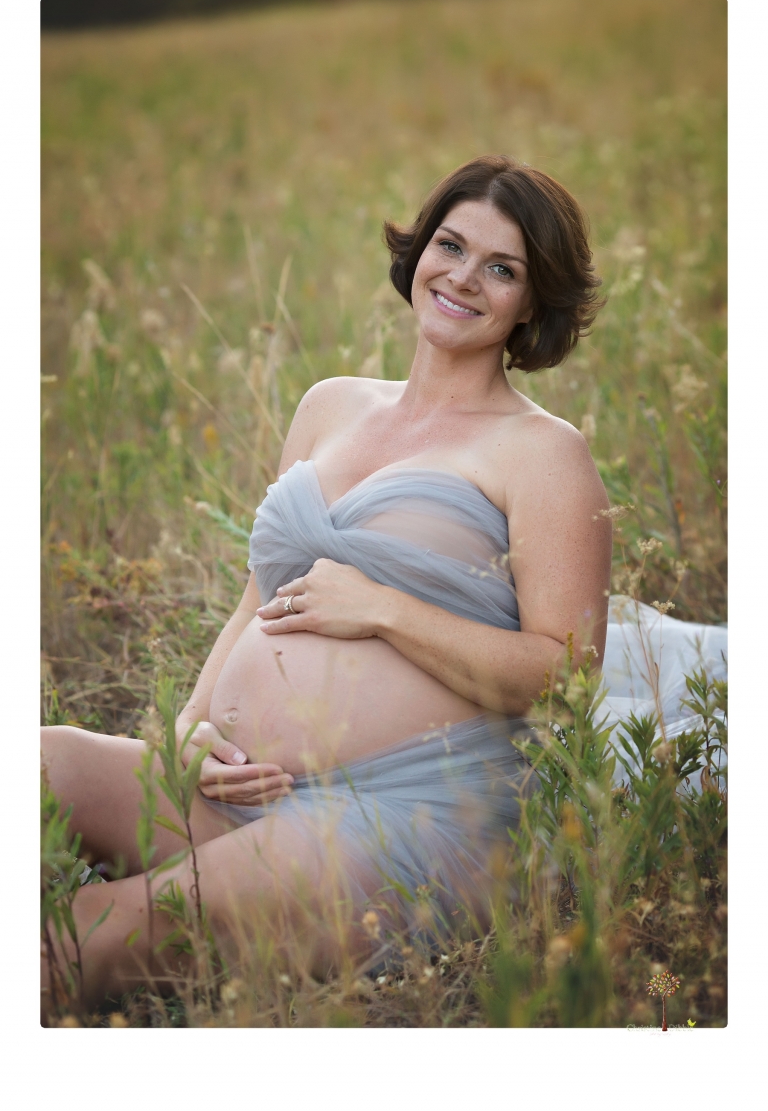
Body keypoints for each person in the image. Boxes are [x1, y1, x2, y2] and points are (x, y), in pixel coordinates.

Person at [41, 155, 627, 1007]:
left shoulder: (543, 453)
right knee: (42, 763)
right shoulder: (329, 405)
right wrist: (191, 735)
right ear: (419, 250)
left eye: (502, 268)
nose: (463, 277)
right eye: (450, 245)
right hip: (239, 796)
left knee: (86, 933)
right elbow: (259, 596)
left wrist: (387, 611)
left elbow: (565, 675)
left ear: (534, 303)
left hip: (395, 821)